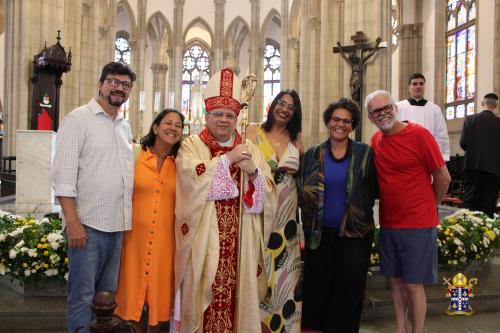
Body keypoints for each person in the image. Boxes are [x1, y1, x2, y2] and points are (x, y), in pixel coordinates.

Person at [174, 68, 277, 333]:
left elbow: (268, 192)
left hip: (241, 241)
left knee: (239, 304)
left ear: (237, 118)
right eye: (217, 114)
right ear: (206, 116)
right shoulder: (192, 145)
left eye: (229, 115)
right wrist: (228, 160)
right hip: (204, 239)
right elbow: (190, 179)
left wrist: (252, 171)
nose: (223, 120)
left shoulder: (250, 149)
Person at [51, 62, 136, 333]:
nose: (119, 88)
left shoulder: (124, 126)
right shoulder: (78, 119)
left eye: (125, 84)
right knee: (82, 297)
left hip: (116, 226)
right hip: (87, 227)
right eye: (113, 81)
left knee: (105, 299)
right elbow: (63, 177)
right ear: (101, 84)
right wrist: (73, 223)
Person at [365, 90, 451, 333]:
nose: (383, 114)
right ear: (371, 117)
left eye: (386, 108)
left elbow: (443, 177)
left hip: (417, 224)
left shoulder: (419, 135)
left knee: (413, 284)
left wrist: (428, 206)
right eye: (376, 111)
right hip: (390, 223)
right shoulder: (376, 141)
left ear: (395, 107)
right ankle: (400, 329)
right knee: (394, 281)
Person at [299, 98, 377, 333]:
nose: (340, 124)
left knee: (350, 289)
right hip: (318, 233)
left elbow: (374, 188)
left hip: (355, 234)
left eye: (346, 121)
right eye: (336, 119)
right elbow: (300, 188)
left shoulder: (365, 154)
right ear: (328, 122)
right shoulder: (313, 154)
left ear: (352, 125)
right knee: (318, 287)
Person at [114, 109, 184, 333]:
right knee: (131, 299)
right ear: (155, 127)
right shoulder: (134, 155)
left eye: (178, 125)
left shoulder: (182, 164)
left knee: (159, 306)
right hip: (133, 240)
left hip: (165, 243)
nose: (173, 128)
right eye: (167, 123)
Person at [246, 90, 303, 332]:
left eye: (291, 106)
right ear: (273, 105)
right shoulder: (252, 130)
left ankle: (285, 327)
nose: (285, 109)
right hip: (259, 211)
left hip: (287, 215)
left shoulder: (296, 138)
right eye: (281, 103)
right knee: (257, 266)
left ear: (295, 112)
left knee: (285, 274)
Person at [460, 93, 500, 217]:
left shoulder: (470, 119)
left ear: (482, 104)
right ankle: (486, 233)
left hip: (473, 166)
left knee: (469, 200)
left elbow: (463, 143)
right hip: (494, 170)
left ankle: (466, 228)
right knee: (488, 203)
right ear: (496, 106)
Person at [396, 73, 450, 161]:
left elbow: (441, 134)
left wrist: (441, 157)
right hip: (404, 154)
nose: (418, 86)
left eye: (421, 84)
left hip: (428, 155)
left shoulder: (434, 109)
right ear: (409, 87)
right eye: (414, 84)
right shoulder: (398, 107)